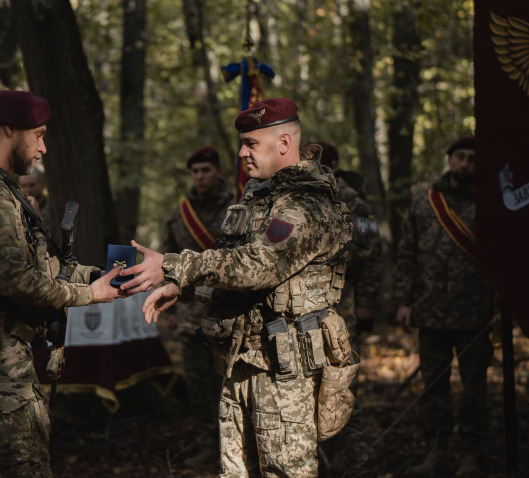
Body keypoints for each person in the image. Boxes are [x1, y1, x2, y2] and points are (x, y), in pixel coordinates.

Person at [120, 98, 354, 478]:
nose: (242, 154)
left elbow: (259, 266)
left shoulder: (306, 205)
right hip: (240, 360)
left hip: (284, 370)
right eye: (242, 144)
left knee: (284, 472)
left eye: (251, 144)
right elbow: (232, 271)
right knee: (234, 472)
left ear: (283, 143)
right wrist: (184, 289)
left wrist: (171, 266)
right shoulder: (260, 197)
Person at [0, 90, 125, 477]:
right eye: (39, 135)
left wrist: (96, 277)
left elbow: (36, 267)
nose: (44, 148)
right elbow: (13, 279)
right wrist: (89, 295)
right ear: (10, 129)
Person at [395, 137, 493, 477]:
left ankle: (471, 452)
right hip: (430, 311)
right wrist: (404, 302)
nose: (465, 164)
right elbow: (407, 255)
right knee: (434, 386)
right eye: (460, 157)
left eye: (473, 159)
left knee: (474, 387)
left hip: (475, 313)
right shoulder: (425, 203)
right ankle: (436, 452)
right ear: (449, 159)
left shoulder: (492, 203)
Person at [311, 142, 382, 475]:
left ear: (335, 165)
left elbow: (371, 253)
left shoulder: (354, 202)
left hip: (344, 306)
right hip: (307, 308)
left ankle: (357, 456)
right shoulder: (304, 198)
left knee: (340, 383)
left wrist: (367, 304)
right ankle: (324, 455)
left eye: (321, 163)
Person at [162, 146, 234, 468]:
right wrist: (172, 310)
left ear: (218, 171)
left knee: (230, 385)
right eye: (195, 172)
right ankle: (209, 445)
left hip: (230, 314)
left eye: (206, 170)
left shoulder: (240, 206)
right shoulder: (180, 214)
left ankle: (235, 448)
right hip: (191, 316)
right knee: (199, 386)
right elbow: (167, 264)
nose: (200, 177)